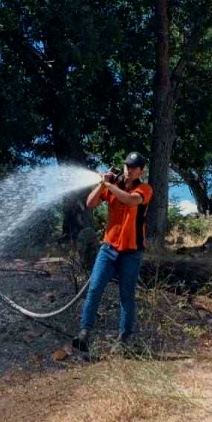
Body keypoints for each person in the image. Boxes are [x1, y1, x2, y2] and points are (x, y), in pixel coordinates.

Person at [72, 152, 153, 360]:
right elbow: (90, 203)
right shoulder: (112, 186)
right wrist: (101, 184)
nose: (128, 169)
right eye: (126, 166)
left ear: (140, 171)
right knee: (94, 289)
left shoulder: (144, 189)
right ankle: (84, 334)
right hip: (108, 249)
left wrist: (109, 186)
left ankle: (124, 341)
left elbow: (130, 200)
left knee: (126, 296)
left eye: (133, 167)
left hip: (132, 252)